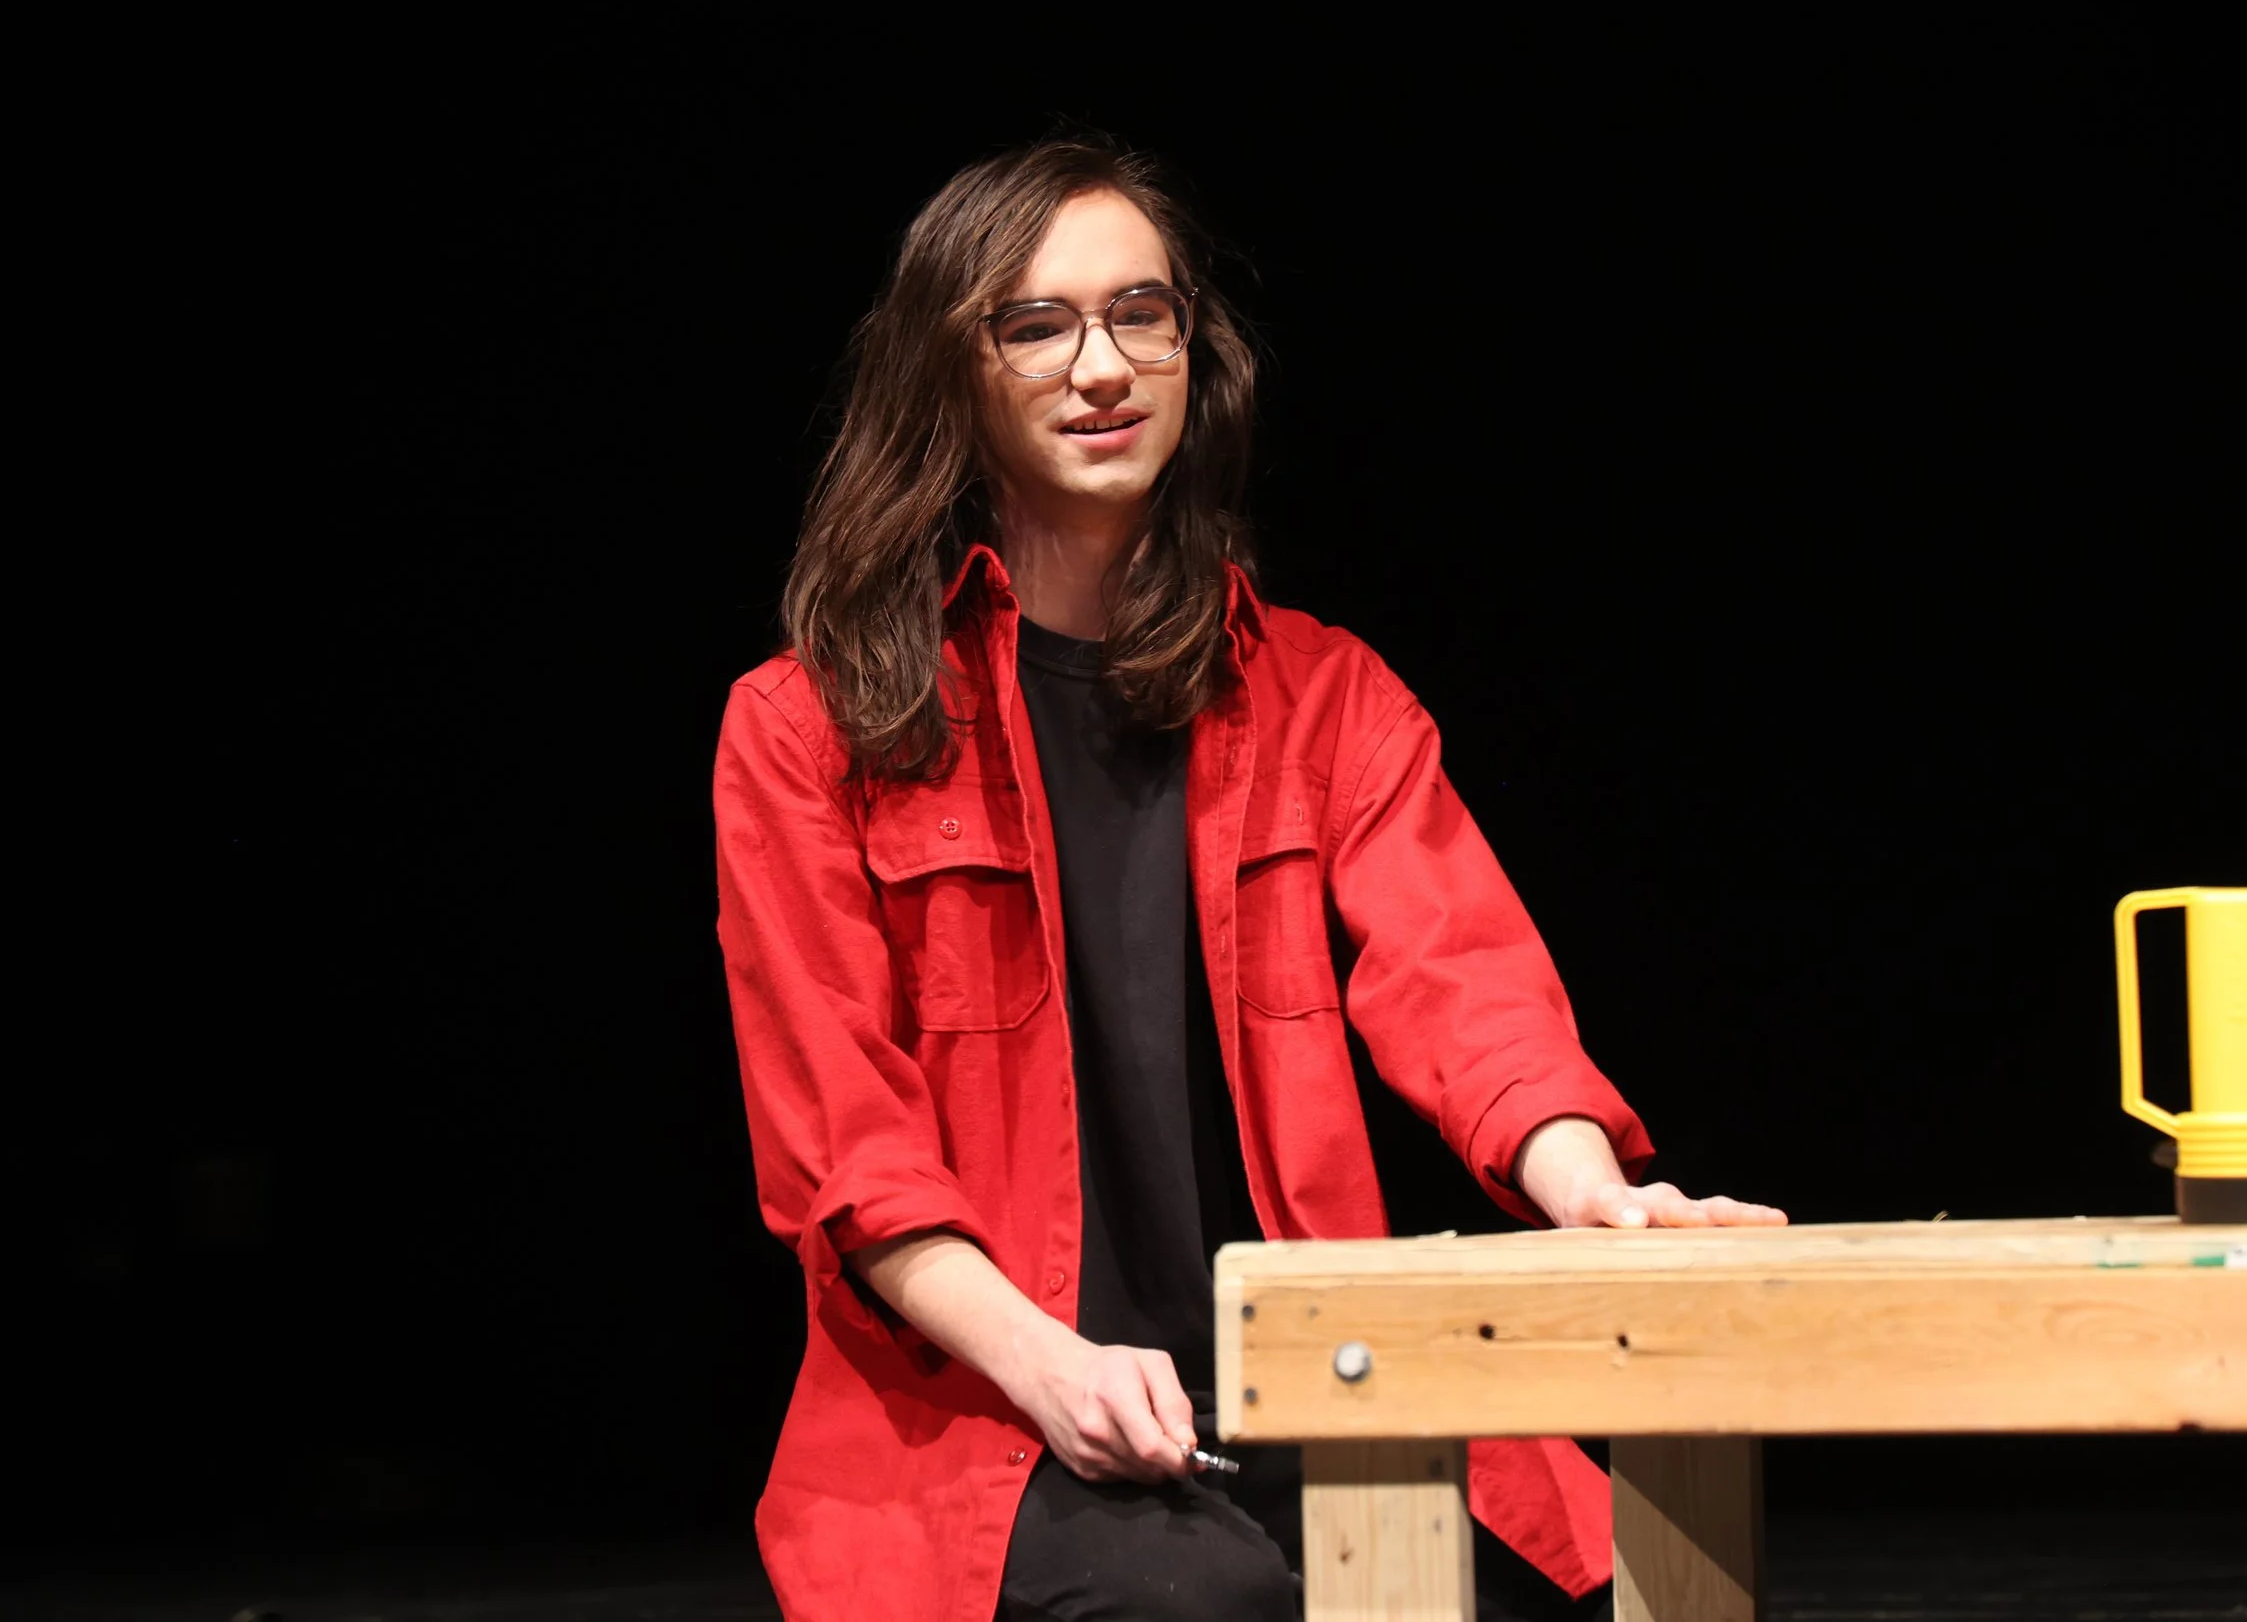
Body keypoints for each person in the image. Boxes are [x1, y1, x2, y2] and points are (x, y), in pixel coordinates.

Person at [713, 137, 1786, 1622]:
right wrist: (1053, 1364)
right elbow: (849, 1148)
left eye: (1141, 313)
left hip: (1323, 1384)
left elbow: (1462, 981)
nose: (1103, 365)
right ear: (948, 373)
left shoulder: (1322, 695)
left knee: (1641, 1591)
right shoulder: (808, 727)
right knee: (1205, 1603)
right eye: (1039, 324)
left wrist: (1594, 1194)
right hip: (995, 1421)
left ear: (1191, 350)